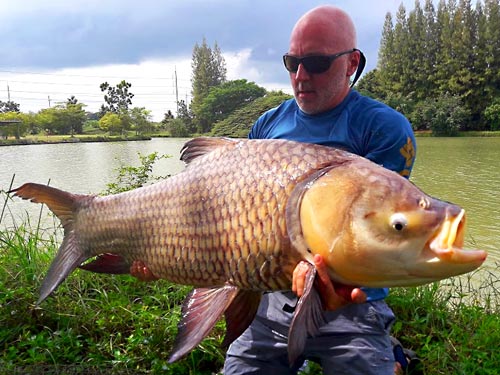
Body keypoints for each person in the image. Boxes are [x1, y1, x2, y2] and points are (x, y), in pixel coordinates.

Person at [223, 5, 416, 375]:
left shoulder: (383, 127)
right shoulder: (267, 125)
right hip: (272, 294)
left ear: (351, 63)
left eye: (316, 62)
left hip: (352, 300)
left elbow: (379, 232)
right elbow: (236, 216)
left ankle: (387, 351)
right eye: (292, 62)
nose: (300, 75)